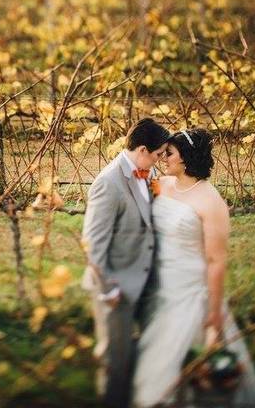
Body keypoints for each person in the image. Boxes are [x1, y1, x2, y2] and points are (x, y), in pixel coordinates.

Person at [131, 128, 255, 407]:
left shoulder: (211, 201)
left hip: (190, 290)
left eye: (169, 154)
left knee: (182, 361)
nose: (163, 158)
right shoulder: (162, 185)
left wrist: (214, 314)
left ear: (186, 158)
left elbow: (216, 261)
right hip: (159, 285)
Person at [82, 117, 170, 408]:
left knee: (143, 357)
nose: (160, 161)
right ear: (143, 149)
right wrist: (108, 289)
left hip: (144, 283)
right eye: (158, 154)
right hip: (115, 287)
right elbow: (93, 244)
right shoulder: (108, 183)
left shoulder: (148, 173)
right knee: (114, 363)